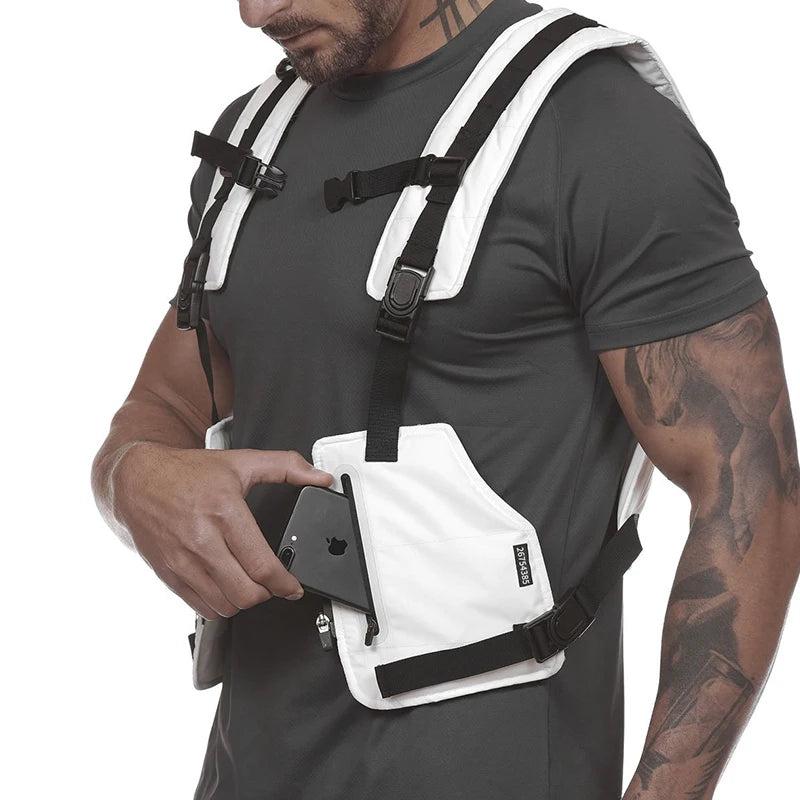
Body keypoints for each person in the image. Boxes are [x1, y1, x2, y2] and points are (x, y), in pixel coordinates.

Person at [91, 1, 800, 799]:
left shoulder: (595, 125)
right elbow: (163, 402)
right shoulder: (256, 138)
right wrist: (129, 477)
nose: (256, 11)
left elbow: (751, 489)